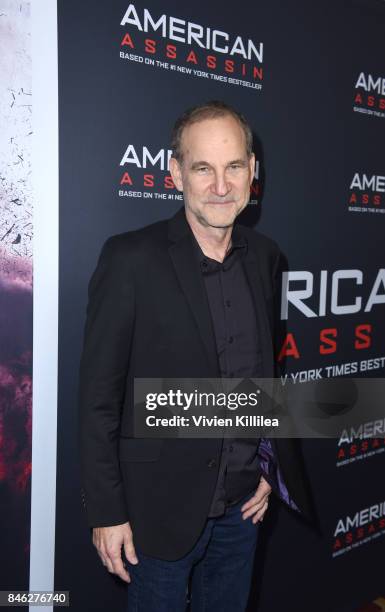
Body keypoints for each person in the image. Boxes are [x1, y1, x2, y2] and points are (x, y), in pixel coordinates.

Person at [78, 101, 313, 611]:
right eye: (202, 168)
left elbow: (263, 373)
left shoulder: (266, 257)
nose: (221, 185)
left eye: (233, 167)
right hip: (155, 515)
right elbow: (99, 398)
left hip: (241, 510)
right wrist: (107, 511)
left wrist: (269, 465)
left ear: (254, 172)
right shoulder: (130, 259)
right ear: (174, 173)